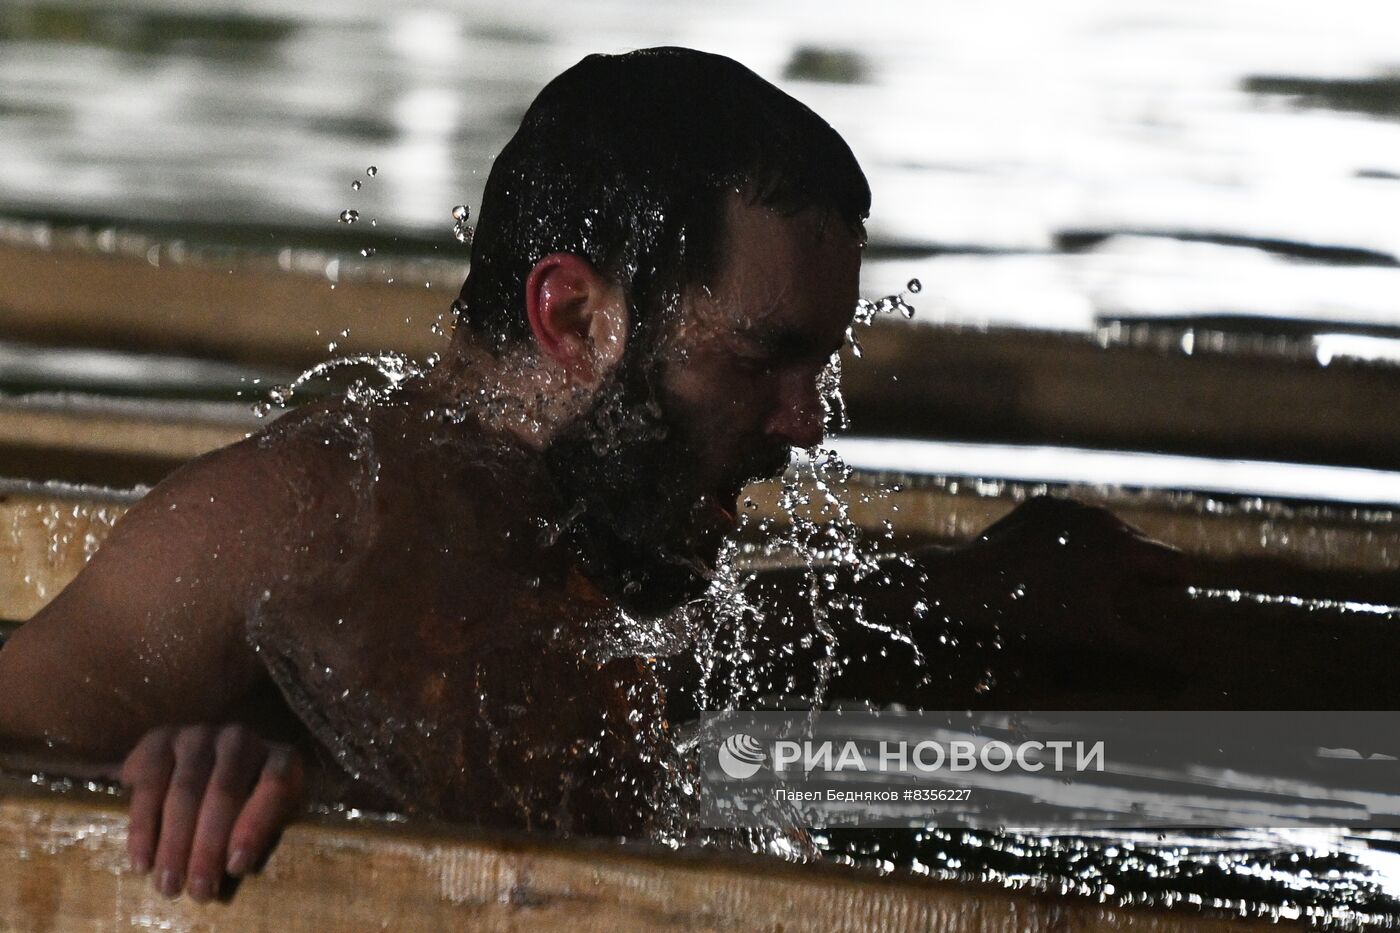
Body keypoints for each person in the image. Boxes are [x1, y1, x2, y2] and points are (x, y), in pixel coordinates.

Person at [1, 46, 1394, 904]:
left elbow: (598, 707)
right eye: (767, 357)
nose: (806, 424)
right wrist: (172, 758)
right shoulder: (286, 516)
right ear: (573, 316)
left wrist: (978, 595)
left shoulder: (573, 522)